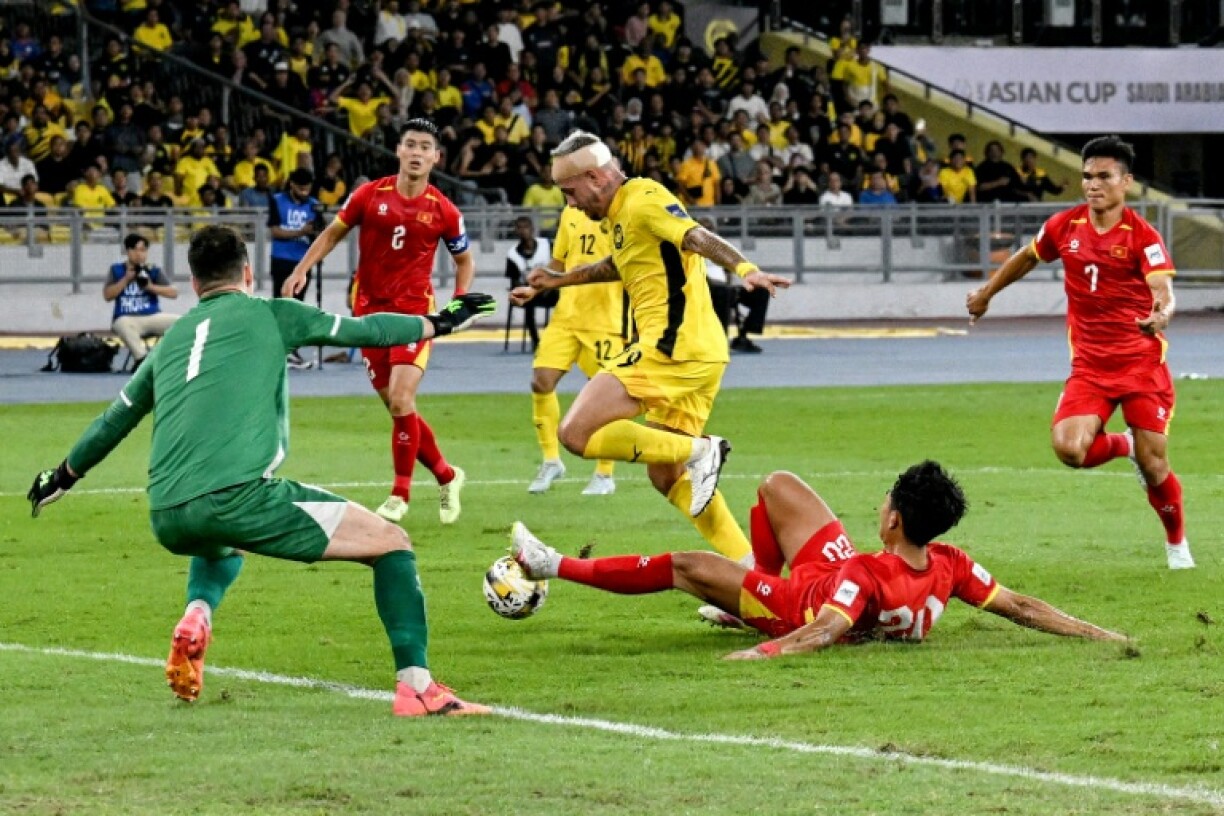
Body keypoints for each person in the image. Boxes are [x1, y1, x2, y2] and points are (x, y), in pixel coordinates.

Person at [27, 225, 497, 715]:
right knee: (392, 545)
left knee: (221, 542)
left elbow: (115, 419)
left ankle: (197, 613)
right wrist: (439, 322)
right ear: (248, 273)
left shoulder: (169, 342)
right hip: (239, 496)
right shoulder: (273, 314)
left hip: (166, 513)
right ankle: (418, 689)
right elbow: (369, 330)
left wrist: (61, 476)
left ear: (193, 283)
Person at [509, 461, 1127, 658]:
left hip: (792, 607)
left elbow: (828, 627)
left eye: (887, 498)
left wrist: (765, 649)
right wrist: (1098, 632)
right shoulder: (948, 562)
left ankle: (550, 565)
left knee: (686, 565)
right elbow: (1018, 605)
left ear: (894, 519)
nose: (881, 500)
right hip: (831, 579)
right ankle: (747, 583)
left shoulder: (867, 574)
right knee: (778, 484)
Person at [523, 131, 789, 566]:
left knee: (575, 433)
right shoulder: (617, 215)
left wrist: (746, 268)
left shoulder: (644, 197)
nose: (570, 204)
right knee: (666, 476)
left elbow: (695, 236)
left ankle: (704, 450)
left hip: (671, 349)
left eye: (571, 193)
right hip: (700, 354)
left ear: (594, 177)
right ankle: (752, 575)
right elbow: (617, 265)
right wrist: (558, 280)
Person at [966, 136, 1193, 570]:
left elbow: (1163, 290)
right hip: (1090, 367)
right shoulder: (1064, 226)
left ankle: (1177, 543)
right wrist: (987, 292)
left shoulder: (1142, 236)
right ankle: (1123, 445)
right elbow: (1029, 256)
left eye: (1104, 176)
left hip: (1141, 365)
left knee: (1156, 464)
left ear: (1126, 181)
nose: (1093, 185)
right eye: (1087, 176)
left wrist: (1161, 315)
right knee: (1069, 449)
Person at [283, 119, 474, 525]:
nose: (418, 152)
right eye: (411, 144)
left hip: (414, 315)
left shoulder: (444, 209)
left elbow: (464, 260)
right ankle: (447, 474)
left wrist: (458, 304)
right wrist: (302, 269)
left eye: (426, 146)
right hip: (368, 315)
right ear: (399, 151)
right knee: (398, 408)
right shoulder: (370, 195)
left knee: (403, 400)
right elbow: (333, 233)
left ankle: (399, 493)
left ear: (436, 157)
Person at [510, 206, 627, 497]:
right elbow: (558, 262)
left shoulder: (619, 214)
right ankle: (551, 460)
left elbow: (625, 266)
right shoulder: (569, 214)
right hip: (566, 317)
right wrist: (535, 290)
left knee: (604, 393)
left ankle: (604, 473)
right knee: (541, 381)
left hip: (604, 320)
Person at [105, 233, 179, 368]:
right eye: (137, 250)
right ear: (128, 251)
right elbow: (107, 296)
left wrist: (150, 287)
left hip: (152, 316)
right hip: (127, 317)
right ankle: (142, 361)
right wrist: (126, 279)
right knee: (122, 324)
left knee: (183, 322)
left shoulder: (153, 270)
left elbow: (173, 293)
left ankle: (176, 360)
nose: (140, 254)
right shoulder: (116, 270)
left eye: (144, 250)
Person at [504, 215, 552, 351]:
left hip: (550, 289)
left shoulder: (546, 245)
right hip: (529, 291)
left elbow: (560, 264)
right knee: (528, 301)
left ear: (532, 229)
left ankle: (553, 340)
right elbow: (513, 281)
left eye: (526, 227)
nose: (523, 231)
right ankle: (536, 343)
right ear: (516, 231)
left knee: (566, 299)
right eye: (520, 228)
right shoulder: (512, 254)